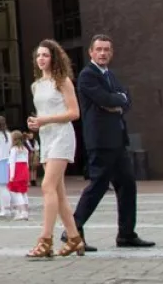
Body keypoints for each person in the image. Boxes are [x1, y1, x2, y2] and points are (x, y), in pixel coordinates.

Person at [68, 34, 153, 251]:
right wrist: (117, 100)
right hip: (101, 141)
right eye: (99, 49)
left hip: (118, 141)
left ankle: (126, 234)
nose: (103, 53)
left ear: (111, 53)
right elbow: (105, 100)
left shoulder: (110, 76)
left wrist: (118, 101)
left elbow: (126, 99)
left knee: (127, 185)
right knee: (98, 186)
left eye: (107, 49)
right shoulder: (88, 75)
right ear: (91, 52)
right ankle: (72, 230)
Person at [24, 40, 84, 258]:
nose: (41, 59)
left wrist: (44, 119)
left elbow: (74, 113)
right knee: (58, 193)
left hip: (62, 136)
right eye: (38, 55)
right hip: (46, 138)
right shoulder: (36, 85)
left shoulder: (63, 81)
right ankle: (75, 238)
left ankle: (45, 240)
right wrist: (36, 123)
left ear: (54, 58)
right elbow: (43, 114)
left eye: (45, 55)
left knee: (47, 185)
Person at [6, 131, 31, 221]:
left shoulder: (13, 149)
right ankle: (25, 212)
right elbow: (27, 163)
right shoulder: (25, 149)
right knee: (23, 191)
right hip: (24, 170)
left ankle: (22, 211)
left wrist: (11, 175)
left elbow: (12, 162)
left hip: (16, 170)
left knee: (17, 192)